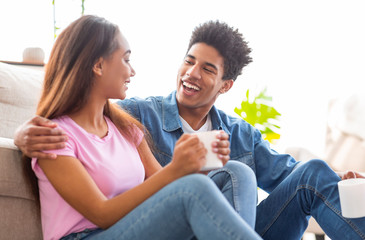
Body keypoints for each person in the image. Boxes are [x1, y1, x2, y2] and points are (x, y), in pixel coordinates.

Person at [15, 19, 365, 240]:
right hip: (159, 225)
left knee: (298, 173)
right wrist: (22, 134)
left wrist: (343, 180)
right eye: (189, 60)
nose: (191, 73)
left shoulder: (238, 133)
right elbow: (78, 120)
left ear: (225, 85)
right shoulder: (138, 113)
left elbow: (286, 174)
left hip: (220, 227)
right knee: (211, 181)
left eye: (207, 69)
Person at [23, 15, 262, 240]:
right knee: (193, 189)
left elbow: (164, 185)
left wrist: (195, 164)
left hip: (132, 228)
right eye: (126, 60)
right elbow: (102, 214)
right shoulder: (52, 138)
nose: (132, 71)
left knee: (236, 171)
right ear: (98, 65)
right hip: (88, 235)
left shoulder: (125, 127)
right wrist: (177, 169)